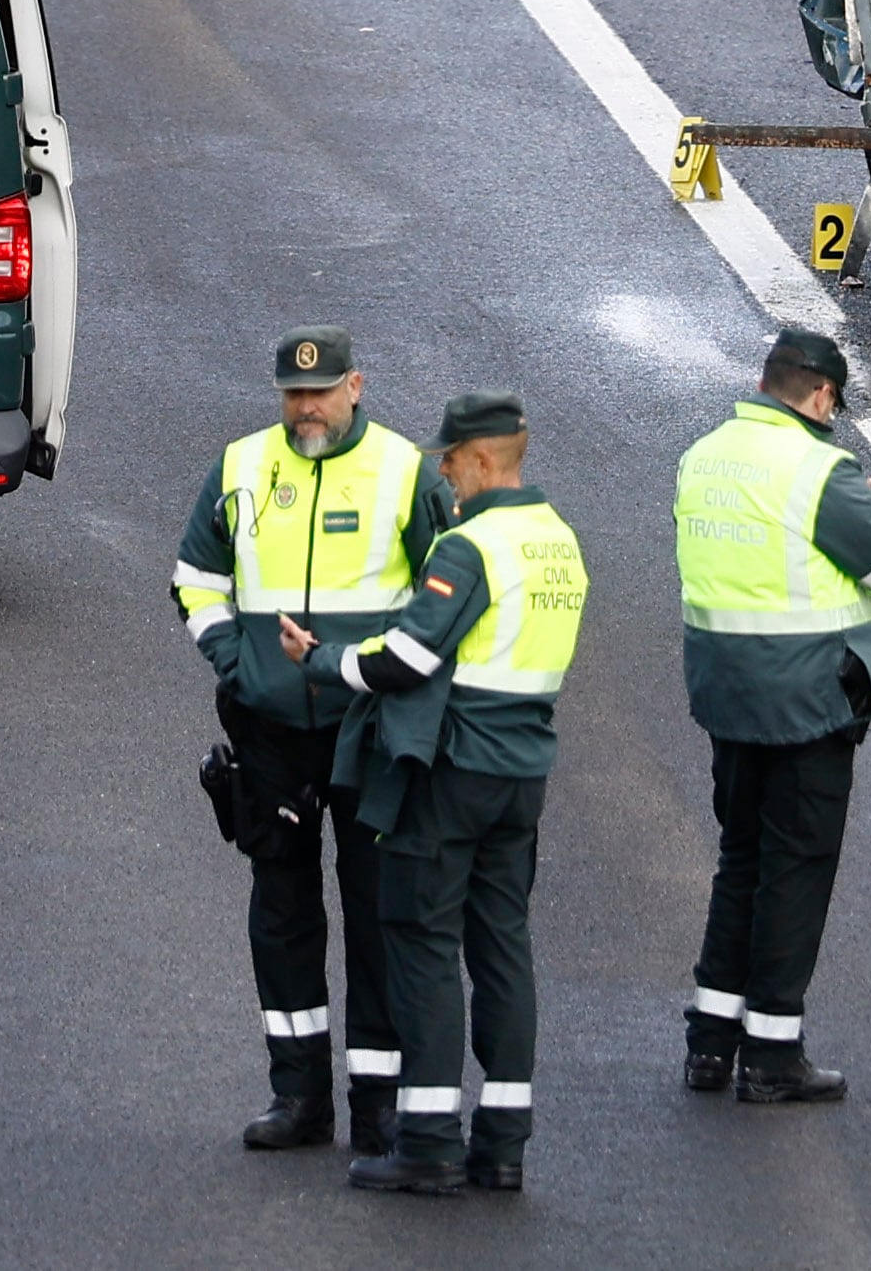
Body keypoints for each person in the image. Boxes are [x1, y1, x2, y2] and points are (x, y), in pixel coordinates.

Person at [284, 392, 589, 1198]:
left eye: (449, 460)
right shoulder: (558, 542)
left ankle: (427, 1141)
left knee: (419, 943)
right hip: (523, 772)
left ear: (483, 460)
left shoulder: (471, 547)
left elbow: (410, 661)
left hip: (453, 771)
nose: (443, 475)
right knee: (502, 949)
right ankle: (503, 1145)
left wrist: (322, 662)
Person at [172, 327, 451, 1154]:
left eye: (322, 392)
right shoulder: (242, 466)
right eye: (294, 395)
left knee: (376, 914)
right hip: (271, 734)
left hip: (368, 727)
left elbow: (444, 594)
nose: (306, 408)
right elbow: (194, 578)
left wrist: (404, 689)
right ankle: (298, 1097)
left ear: (356, 386)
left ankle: (379, 1106)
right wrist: (241, 663)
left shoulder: (403, 471)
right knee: (282, 913)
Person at [670, 326, 871, 1103]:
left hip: (726, 690)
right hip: (808, 699)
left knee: (741, 859)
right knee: (796, 869)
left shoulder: (703, 456)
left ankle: (711, 1042)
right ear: (822, 395)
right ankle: (774, 1052)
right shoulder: (821, 471)